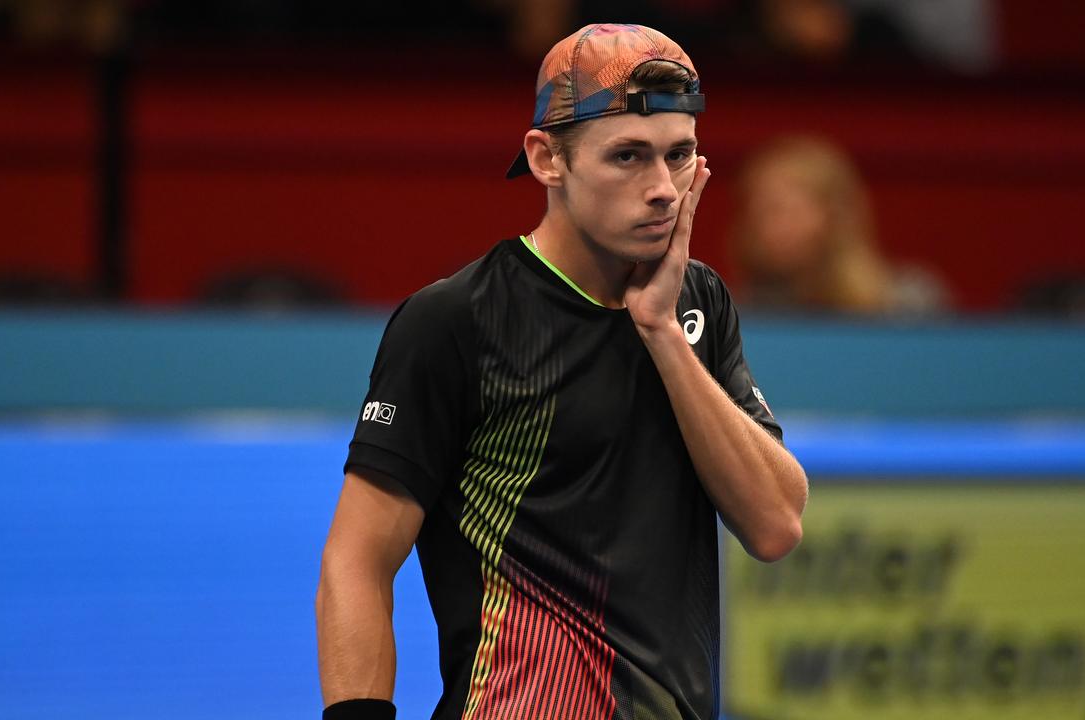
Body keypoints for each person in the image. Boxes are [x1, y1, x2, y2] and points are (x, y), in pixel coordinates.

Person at [316, 23, 808, 720]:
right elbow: (356, 562)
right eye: (628, 157)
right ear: (547, 159)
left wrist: (662, 332)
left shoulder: (699, 304)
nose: (663, 189)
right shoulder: (455, 321)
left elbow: (775, 526)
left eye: (679, 155)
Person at [730, 135, 949, 316]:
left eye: (785, 210)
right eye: (760, 211)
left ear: (836, 216)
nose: (770, 226)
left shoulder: (909, 305)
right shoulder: (732, 318)